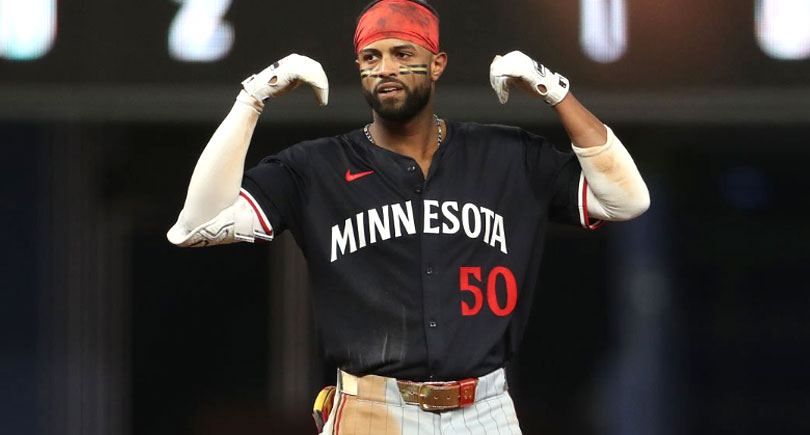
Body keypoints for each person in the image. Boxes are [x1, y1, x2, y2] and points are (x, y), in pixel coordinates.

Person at [167, 0, 650, 433]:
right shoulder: (316, 167)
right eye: (371, 58)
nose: (386, 69)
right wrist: (253, 98)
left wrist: (554, 91)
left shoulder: (505, 155)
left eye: (402, 54)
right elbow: (196, 226)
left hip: (484, 408)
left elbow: (626, 200)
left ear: (437, 64)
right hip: (370, 409)